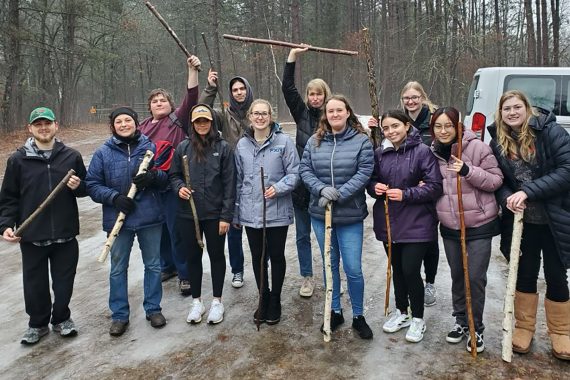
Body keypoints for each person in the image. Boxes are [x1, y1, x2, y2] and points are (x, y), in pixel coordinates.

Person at [489, 90, 570, 360]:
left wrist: (528, 191)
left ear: (527, 108)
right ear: (500, 113)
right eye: (506, 109)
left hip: (555, 217)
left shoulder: (550, 132)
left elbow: (567, 169)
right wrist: (507, 200)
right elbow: (498, 180)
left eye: (516, 107)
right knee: (524, 272)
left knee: (556, 274)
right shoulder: (498, 141)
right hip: (522, 222)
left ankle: (561, 332)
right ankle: (524, 328)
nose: (512, 112)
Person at [0, 107, 87, 345]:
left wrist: (78, 185)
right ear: (30, 128)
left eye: (47, 123)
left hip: (65, 234)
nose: (43, 128)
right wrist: (5, 224)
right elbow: (9, 198)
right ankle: (37, 324)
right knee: (34, 284)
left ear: (55, 126)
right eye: (38, 124)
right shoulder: (18, 160)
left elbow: (85, 188)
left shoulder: (71, 156)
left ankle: (62, 319)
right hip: (32, 236)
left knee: (64, 282)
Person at [86, 107, 168, 337]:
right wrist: (114, 198)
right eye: (119, 121)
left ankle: (153, 309)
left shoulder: (149, 147)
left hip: (149, 217)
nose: (124, 124)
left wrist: (152, 177)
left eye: (128, 120)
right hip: (117, 220)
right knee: (118, 268)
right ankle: (120, 315)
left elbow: (165, 178)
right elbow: (92, 184)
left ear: (136, 123)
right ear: (113, 126)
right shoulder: (103, 153)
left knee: (153, 265)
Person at [300, 95, 374, 339]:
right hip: (321, 215)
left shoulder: (361, 141)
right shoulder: (314, 141)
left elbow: (364, 171)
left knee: (353, 268)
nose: (334, 114)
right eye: (330, 111)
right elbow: (305, 170)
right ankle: (334, 310)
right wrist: (321, 190)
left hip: (350, 215)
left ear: (348, 112)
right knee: (329, 265)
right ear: (325, 115)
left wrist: (339, 194)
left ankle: (359, 316)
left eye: (339, 110)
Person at [430, 106, 503, 353]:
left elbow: (495, 180)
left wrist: (467, 170)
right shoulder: (432, 153)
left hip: (479, 225)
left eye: (448, 125)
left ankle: (476, 328)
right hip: (450, 226)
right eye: (438, 126)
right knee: (458, 276)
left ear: (458, 126)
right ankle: (461, 322)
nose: (443, 131)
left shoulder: (478, 148)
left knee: (474, 278)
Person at [367, 110, 442, 343]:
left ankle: (418, 317)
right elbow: (370, 181)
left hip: (417, 222)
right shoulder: (380, 153)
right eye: (386, 128)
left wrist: (406, 193)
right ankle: (402, 313)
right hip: (389, 221)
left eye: (395, 126)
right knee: (397, 270)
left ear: (407, 126)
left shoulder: (422, 152)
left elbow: (435, 186)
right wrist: (375, 187)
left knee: (410, 270)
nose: (391, 131)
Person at [138, 55, 201, 296]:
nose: (158, 103)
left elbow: (192, 96)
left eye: (162, 99)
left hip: (174, 183)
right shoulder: (142, 126)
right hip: (150, 186)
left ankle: (185, 274)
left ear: (170, 103)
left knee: (177, 230)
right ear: (149, 106)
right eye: (154, 101)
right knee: (159, 230)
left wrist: (192, 71)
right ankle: (169, 266)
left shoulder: (178, 120)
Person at [169, 104, 235, 325]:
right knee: (193, 258)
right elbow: (174, 175)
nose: (202, 125)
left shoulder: (223, 148)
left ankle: (217, 301)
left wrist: (226, 216)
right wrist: (179, 187)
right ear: (192, 124)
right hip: (189, 214)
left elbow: (229, 184)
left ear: (212, 121)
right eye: (198, 121)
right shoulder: (183, 148)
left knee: (217, 256)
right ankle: (197, 301)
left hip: (215, 214)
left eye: (205, 120)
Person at [234, 99, 298, 325]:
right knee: (258, 258)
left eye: (264, 113)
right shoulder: (242, 145)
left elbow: (295, 173)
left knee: (277, 256)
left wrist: (278, 188)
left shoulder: (283, 142)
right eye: (256, 113)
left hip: (276, 211)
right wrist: (236, 212)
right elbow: (239, 180)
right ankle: (264, 296)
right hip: (251, 214)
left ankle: (276, 300)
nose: (260, 117)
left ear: (271, 117)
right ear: (250, 116)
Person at [282, 46, 331, 298]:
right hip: (301, 189)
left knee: (326, 239)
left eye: (318, 94)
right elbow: (288, 89)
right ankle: (307, 277)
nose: (314, 98)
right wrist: (292, 57)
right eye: (311, 93)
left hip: (323, 188)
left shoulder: (333, 117)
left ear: (325, 96)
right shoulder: (300, 113)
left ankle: (330, 278)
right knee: (302, 236)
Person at [199, 71, 254, 289]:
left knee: (258, 229)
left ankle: (263, 264)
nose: (239, 92)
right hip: (231, 177)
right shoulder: (223, 115)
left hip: (254, 177)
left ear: (248, 90)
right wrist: (211, 88)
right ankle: (237, 270)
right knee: (234, 228)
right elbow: (201, 111)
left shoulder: (257, 112)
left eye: (242, 88)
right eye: (235, 90)